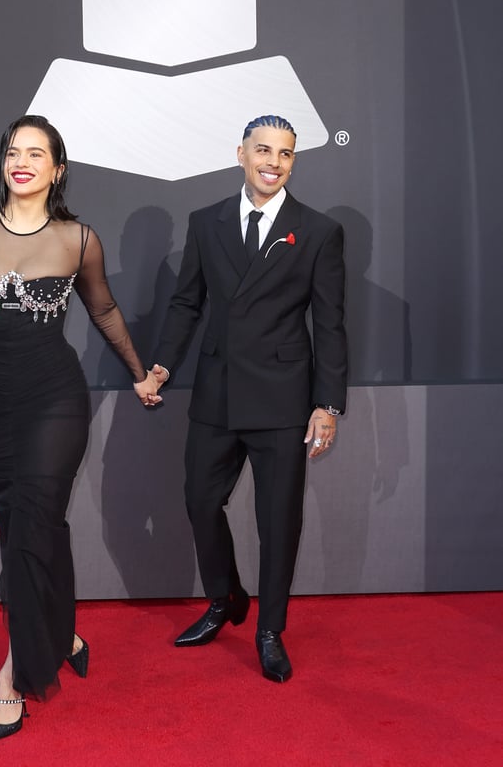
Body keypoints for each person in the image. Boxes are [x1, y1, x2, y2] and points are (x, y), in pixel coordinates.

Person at [0, 114, 159, 742]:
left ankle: (12, 677)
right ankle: (60, 631)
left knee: (31, 527)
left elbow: (104, 308)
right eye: (13, 151)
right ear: (2, 163)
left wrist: (139, 372)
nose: (22, 161)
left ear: (57, 169)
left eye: (37, 153)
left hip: (55, 402)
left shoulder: (78, 239)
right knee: (23, 530)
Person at [150, 113, 347, 682]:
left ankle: (270, 629)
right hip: (216, 391)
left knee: (278, 520)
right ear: (240, 153)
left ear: (292, 162)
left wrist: (326, 405)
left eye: (285, 154)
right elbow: (187, 302)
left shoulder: (317, 231)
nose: (273, 162)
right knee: (198, 502)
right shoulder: (205, 222)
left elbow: (330, 326)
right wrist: (163, 364)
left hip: (284, 401)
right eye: (263, 150)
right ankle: (226, 597)